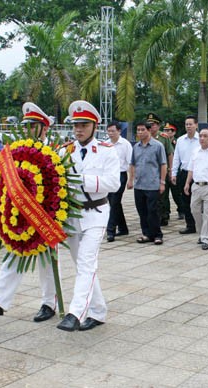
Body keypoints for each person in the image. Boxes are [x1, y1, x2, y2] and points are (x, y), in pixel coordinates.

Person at [0, 102, 58, 322]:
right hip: (19, 214)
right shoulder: (17, 150)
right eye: (26, 125)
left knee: (46, 262)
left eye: (34, 125)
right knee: (13, 252)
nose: (28, 129)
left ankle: (49, 304)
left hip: (45, 215)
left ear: (44, 128)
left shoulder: (55, 151)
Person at [57, 100, 120, 332]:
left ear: (95, 126)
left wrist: (82, 180)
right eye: (76, 125)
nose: (78, 129)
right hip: (72, 213)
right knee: (83, 266)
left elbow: (114, 183)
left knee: (86, 262)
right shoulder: (65, 151)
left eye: (84, 124)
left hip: (96, 212)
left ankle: (75, 313)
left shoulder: (106, 151)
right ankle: (98, 311)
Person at [128, 121, 167, 245]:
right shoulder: (136, 147)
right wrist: (130, 179)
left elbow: (163, 164)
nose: (140, 132)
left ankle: (157, 234)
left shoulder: (158, 146)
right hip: (139, 185)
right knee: (142, 211)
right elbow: (132, 164)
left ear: (149, 130)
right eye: (138, 130)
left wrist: (162, 182)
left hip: (153, 184)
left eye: (142, 129)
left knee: (152, 211)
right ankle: (146, 234)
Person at [171, 115, 200, 234]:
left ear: (196, 125)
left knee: (198, 201)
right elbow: (176, 158)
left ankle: (201, 225)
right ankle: (190, 225)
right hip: (184, 173)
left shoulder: (201, 139)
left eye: (190, 124)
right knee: (185, 200)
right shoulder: (180, 140)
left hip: (198, 174)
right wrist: (173, 173)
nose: (188, 126)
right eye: (186, 124)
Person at [106, 121, 132, 242]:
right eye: (109, 131)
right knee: (113, 202)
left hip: (121, 175)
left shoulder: (125, 144)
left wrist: (131, 179)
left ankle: (110, 230)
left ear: (119, 131)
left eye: (113, 131)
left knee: (115, 201)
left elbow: (130, 163)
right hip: (108, 176)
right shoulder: (105, 144)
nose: (110, 133)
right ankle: (123, 227)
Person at [147, 113, 174, 226]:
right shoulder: (144, 136)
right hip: (149, 171)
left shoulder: (163, 137)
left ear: (158, 126)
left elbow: (170, 153)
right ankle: (153, 215)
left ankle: (164, 215)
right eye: (149, 124)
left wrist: (170, 169)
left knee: (163, 194)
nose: (151, 126)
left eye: (153, 124)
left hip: (161, 170)